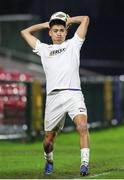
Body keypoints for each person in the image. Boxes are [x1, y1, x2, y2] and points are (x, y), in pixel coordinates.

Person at [20, 11, 90, 176]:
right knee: (48, 141)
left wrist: (67, 20)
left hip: (74, 94)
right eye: (55, 30)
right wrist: (47, 23)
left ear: (66, 31)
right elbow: (24, 32)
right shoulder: (44, 49)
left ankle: (84, 164)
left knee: (82, 126)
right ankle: (49, 159)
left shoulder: (73, 44)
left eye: (61, 30)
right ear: (50, 33)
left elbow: (85, 19)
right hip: (54, 98)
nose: (58, 33)